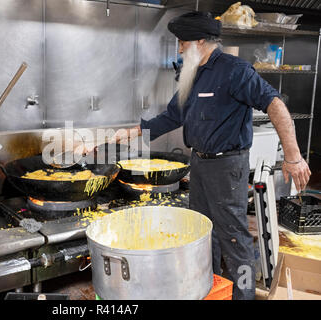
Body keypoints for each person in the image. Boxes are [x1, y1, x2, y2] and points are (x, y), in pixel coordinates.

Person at [109, 11, 312, 300]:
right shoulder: (192, 73)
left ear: (200, 41)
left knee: (234, 237)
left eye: (182, 42)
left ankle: (243, 295)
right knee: (203, 233)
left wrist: (293, 157)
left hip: (227, 165)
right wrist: (129, 133)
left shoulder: (234, 70)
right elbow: (171, 117)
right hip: (200, 163)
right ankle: (213, 289)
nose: (179, 48)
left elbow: (275, 105)